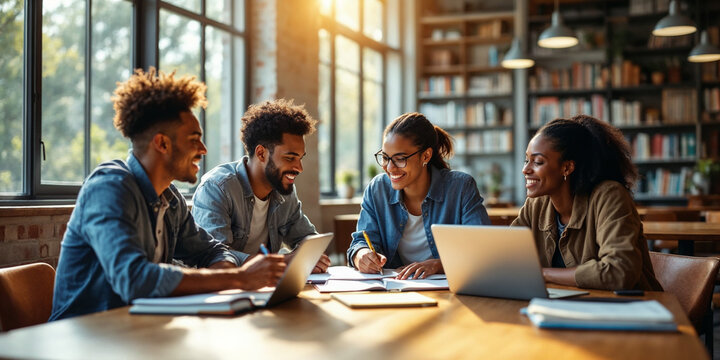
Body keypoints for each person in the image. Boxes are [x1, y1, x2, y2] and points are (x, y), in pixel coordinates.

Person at [50, 68, 286, 321]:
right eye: (194, 139)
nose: (204, 149)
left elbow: (213, 251)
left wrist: (228, 279)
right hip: (83, 338)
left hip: (138, 332)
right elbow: (133, 278)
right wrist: (238, 278)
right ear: (162, 144)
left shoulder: (170, 198)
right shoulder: (109, 188)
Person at [511, 114, 662, 291]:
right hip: (567, 305)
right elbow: (507, 255)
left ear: (566, 167)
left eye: (537, 162)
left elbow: (619, 271)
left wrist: (543, 274)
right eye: (526, 160)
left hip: (626, 307)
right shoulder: (537, 203)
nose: (525, 170)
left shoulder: (609, 196)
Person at [347, 112, 491, 279]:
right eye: (385, 158)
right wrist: (361, 255)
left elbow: (481, 251)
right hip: (394, 289)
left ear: (426, 155)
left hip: (449, 291)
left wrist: (438, 265)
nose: (390, 167)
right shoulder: (377, 189)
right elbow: (360, 242)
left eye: (400, 159)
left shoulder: (460, 188)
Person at [192, 99, 330, 273]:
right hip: (220, 292)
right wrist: (281, 261)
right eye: (290, 158)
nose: (299, 168)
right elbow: (213, 258)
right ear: (261, 153)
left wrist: (312, 255)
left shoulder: (284, 191)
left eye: (300, 158)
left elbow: (306, 237)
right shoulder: (217, 188)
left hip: (264, 288)